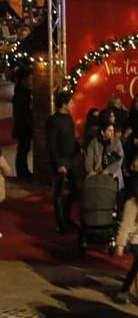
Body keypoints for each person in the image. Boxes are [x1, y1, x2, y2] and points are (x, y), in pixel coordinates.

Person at [47, 90, 80, 232]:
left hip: (72, 160)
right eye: (71, 102)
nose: (73, 104)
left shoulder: (68, 118)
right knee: (59, 193)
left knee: (77, 190)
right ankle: (61, 224)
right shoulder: (54, 121)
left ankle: (66, 217)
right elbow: (51, 145)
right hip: (60, 162)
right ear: (64, 104)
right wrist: (59, 164)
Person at [84, 120, 125, 190]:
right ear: (103, 132)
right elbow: (88, 158)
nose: (112, 133)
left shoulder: (116, 142)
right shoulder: (94, 142)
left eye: (113, 130)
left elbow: (119, 159)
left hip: (112, 174)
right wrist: (90, 170)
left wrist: (109, 170)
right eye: (109, 130)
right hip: (97, 174)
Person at [12, 68, 33, 181]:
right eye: (29, 79)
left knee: (24, 149)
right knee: (22, 150)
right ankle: (22, 173)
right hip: (22, 128)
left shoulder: (25, 93)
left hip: (24, 127)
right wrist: (29, 124)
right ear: (23, 80)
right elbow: (20, 114)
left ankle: (24, 171)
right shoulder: (20, 95)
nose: (31, 81)